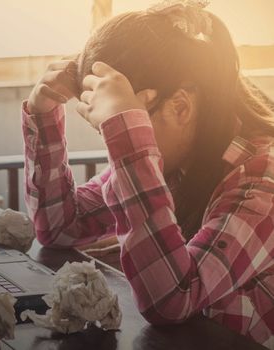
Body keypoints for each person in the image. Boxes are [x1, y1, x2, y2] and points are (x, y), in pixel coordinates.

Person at [21, 0, 274, 347]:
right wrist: (43, 115)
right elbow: (60, 227)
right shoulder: (175, 165)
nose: (116, 147)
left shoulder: (263, 183)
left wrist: (128, 139)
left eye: (130, 123)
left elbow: (171, 299)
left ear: (180, 106)